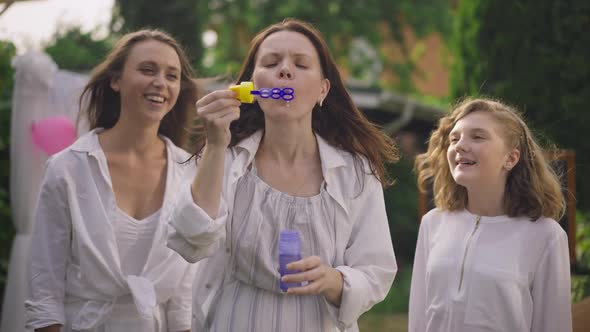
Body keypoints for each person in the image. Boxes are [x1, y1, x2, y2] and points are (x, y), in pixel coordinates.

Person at [166, 19, 398, 331]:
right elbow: (191, 242)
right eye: (272, 62)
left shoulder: (354, 171)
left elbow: (376, 269)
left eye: (300, 64)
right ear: (252, 87)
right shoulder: (225, 158)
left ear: (322, 90)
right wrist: (216, 144)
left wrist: (335, 280)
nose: (285, 70)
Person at [25, 29, 199, 332]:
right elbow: (44, 292)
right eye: (147, 69)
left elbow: (183, 297)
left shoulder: (189, 172)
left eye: (172, 75)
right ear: (116, 80)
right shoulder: (67, 168)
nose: (160, 82)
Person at [409, 98, 572, 332]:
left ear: (511, 158)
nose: (459, 146)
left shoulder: (546, 236)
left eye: (477, 137)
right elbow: (417, 321)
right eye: (455, 138)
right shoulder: (432, 223)